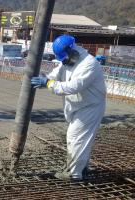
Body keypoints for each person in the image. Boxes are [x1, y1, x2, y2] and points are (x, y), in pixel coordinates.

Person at [30, 35, 106, 181]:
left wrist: (48, 84)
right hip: (78, 106)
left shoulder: (89, 64)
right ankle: (81, 168)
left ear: (72, 51)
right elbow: (56, 74)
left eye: (64, 58)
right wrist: (45, 77)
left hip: (90, 107)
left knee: (76, 138)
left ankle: (74, 174)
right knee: (80, 139)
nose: (63, 61)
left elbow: (73, 86)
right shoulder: (68, 61)